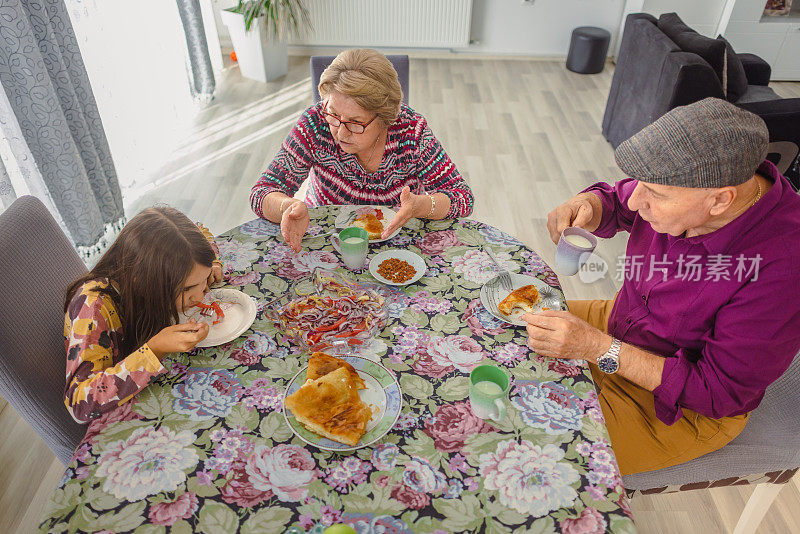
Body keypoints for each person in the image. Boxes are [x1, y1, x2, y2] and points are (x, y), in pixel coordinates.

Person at [524, 98, 800, 475]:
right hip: (623, 322)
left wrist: (596, 347)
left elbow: (717, 392)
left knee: (534, 454)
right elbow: (618, 202)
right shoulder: (685, 185)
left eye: (655, 193)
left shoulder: (783, 266)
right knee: (504, 323)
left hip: (675, 405)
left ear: (720, 201)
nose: (636, 200)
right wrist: (592, 203)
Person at [250, 48, 474, 251]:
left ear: (386, 117)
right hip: (329, 239)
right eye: (334, 115)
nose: (340, 132)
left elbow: (462, 198)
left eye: (356, 123)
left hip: (399, 242)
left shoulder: (411, 131)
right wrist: (287, 205)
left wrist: (421, 205)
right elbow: (262, 192)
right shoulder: (315, 123)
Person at [63, 207, 224, 424]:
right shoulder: (94, 308)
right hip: (126, 414)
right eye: (187, 289)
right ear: (146, 281)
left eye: (203, 282)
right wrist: (155, 349)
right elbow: (79, 404)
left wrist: (211, 265)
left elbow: (200, 233)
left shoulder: (178, 261)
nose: (203, 293)